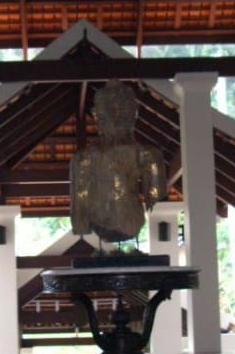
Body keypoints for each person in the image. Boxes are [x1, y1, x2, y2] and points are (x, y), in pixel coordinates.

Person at [70, 80, 167, 242]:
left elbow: (156, 191)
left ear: (134, 113)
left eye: (123, 111)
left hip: (130, 218)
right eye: (109, 111)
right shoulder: (84, 158)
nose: (116, 117)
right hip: (100, 218)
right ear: (96, 115)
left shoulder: (148, 154)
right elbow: (80, 200)